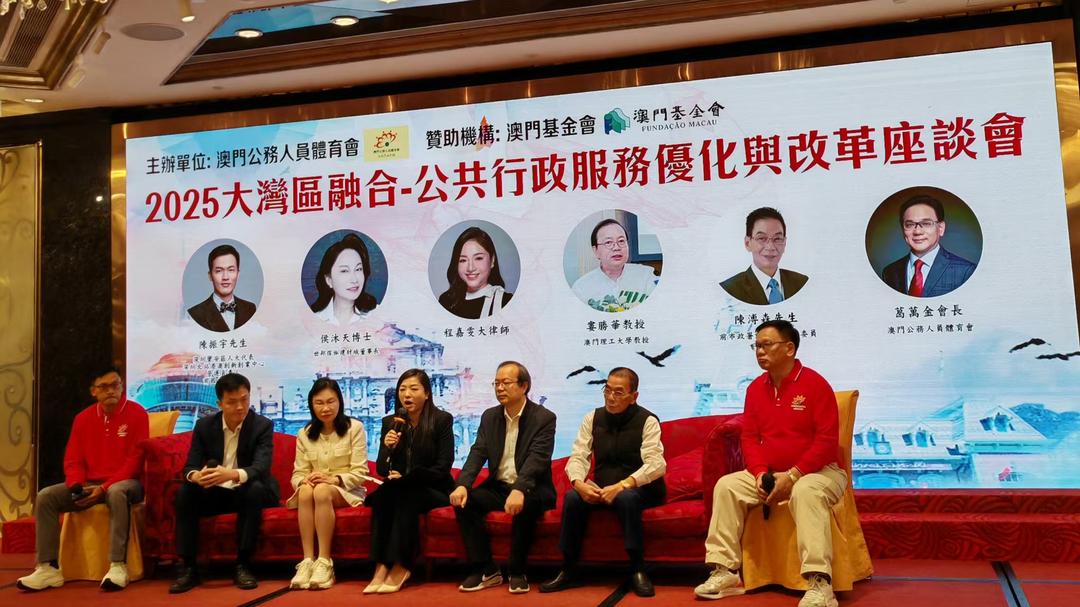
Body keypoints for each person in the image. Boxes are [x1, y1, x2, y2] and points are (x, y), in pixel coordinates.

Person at [695, 319, 845, 607]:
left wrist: (793, 475)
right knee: (726, 486)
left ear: (789, 348)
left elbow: (826, 442)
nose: (760, 351)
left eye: (766, 345)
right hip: (772, 473)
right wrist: (760, 474)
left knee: (806, 491)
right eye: (756, 346)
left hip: (819, 472)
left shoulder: (815, 384)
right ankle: (725, 571)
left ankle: (820, 583)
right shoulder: (755, 389)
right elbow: (750, 438)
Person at [17, 368, 148, 592]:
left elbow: (134, 462)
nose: (111, 391)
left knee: (117, 492)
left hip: (127, 484)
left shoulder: (137, 413)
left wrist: (104, 488)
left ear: (122, 386)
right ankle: (48, 568)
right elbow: (73, 459)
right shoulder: (83, 418)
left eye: (115, 385)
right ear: (93, 391)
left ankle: (118, 566)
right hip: (89, 485)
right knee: (46, 496)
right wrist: (77, 486)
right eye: (104, 387)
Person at [541, 367, 666, 598]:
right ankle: (568, 569)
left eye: (618, 392)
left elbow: (656, 464)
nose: (610, 397)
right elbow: (579, 455)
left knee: (626, 498)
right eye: (607, 390)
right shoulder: (593, 418)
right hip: (602, 488)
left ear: (634, 396)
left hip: (640, 489)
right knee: (572, 498)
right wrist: (579, 482)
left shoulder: (648, 420)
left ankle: (638, 569)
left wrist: (622, 485)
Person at [450, 361, 556, 594]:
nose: (499, 388)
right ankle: (486, 569)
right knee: (466, 502)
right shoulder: (490, 417)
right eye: (496, 383)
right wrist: (463, 485)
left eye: (506, 383)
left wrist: (520, 489)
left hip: (533, 488)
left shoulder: (543, 418)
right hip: (499, 487)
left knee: (525, 505)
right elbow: (477, 452)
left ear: (524, 386)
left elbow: (537, 459)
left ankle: (517, 571)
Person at [169, 373, 279, 594]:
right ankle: (189, 567)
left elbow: (261, 467)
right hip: (217, 492)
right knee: (185, 493)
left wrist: (231, 474)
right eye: (232, 402)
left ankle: (243, 564)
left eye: (244, 399)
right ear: (219, 404)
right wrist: (196, 476)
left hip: (250, 491)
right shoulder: (204, 426)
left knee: (254, 489)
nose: (240, 407)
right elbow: (190, 466)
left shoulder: (262, 425)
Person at [364, 369, 455, 594]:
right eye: (402, 389)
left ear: (427, 393)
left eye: (414, 389)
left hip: (434, 488)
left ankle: (402, 565)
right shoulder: (391, 422)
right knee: (384, 496)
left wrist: (408, 477)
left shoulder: (441, 420)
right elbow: (382, 469)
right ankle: (380, 565)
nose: (407, 394)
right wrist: (388, 448)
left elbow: (443, 467)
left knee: (405, 495)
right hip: (399, 487)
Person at [287, 378, 372, 590]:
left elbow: (360, 472)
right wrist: (305, 480)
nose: (325, 408)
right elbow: (297, 474)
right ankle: (307, 561)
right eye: (319, 403)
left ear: (339, 402)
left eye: (330, 401)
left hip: (347, 491)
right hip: (314, 490)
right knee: (305, 490)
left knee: (322, 490)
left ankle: (325, 561)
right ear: (311, 405)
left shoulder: (355, 428)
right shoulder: (304, 434)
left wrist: (334, 480)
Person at [881, 195, 976, 297]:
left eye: (926, 223)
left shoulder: (965, 271)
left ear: (941, 228)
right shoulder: (890, 272)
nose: (917, 231)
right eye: (909, 225)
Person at [720, 207, 808, 305]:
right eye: (761, 238)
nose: (770, 247)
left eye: (777, 239)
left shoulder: (802, 283)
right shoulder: (729, 290)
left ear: (784, 243)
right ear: (747, 243)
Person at [571, 218, 658, 312]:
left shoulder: (646, 275)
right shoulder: (581, 288)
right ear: (595, 250)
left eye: (621, 241)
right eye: (608, 242)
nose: (616, 247)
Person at [438, 226, 514, 319]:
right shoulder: (446, 301)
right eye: (463, 260)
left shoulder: (506, 301)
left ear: (492, 260)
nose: (470, 268)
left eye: (478, 258)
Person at [310, 233, 380, 326]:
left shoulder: (379, 315)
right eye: (344, 271)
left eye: (358, 269)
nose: (354, 280)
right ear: (329, 280)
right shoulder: (314, 320)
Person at [187, 244, 258, 332]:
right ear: (210, 276)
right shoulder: (195, 314)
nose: (225, 277)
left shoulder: (250, 308)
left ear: (238, 274)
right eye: (219, 271)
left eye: (231, 270)